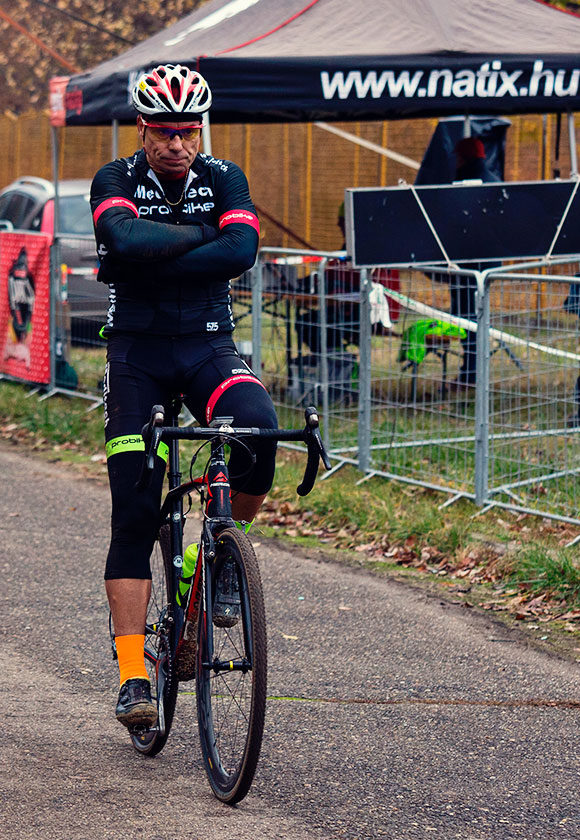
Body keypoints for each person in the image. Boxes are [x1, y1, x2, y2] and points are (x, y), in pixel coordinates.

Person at [90, 64, 278, 730]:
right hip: (137, 353)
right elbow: (120, 238)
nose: (177, 144)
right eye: (165, 132)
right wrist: (207, 241)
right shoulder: (114, 179)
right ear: (143, 128)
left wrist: (155, 251)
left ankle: (218, 559)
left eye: (187, 131)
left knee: (260, 430)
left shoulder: (224, 176)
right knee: (136, 511)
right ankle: (134, 675)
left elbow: (244, 248)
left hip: (206, 345)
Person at [449, 137, 500, 387]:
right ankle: (472, 372)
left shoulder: (462, 186)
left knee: (468, 320)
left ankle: (472, 375)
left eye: (459, 157)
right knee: (476, 320)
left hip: (468, 267)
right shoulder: (495, 182)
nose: (456, 162)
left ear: (466, 158)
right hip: (487, 265)